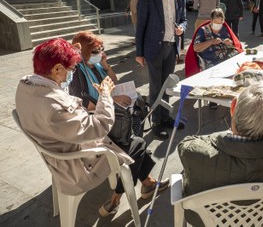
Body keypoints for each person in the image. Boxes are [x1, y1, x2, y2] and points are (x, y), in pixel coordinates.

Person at [15, 38, 169, 220]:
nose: (71, 74)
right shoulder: (53, 107)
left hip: (61, 145)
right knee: (138, 144)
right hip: (77, 166)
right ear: (57, 69)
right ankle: (118, 197)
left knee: (131, 141)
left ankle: (146, 183)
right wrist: (105, 96)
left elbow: (67, 107)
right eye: (71, 69)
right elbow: (99, 128)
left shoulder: (27, 86)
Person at [178, 80, 263, 226]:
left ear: (233, 107)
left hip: (208, 221)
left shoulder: (195, 151)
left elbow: (185, 145)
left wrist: (222, 136)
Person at [135, 0, 187, 140]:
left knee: (168, 86)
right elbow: (140, 26)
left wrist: (182, 27)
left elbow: (184, 19)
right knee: (156, 87)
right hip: (153, 48)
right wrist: (139, 53)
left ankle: (165, 118)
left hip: (171, 47)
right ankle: (157, 122)